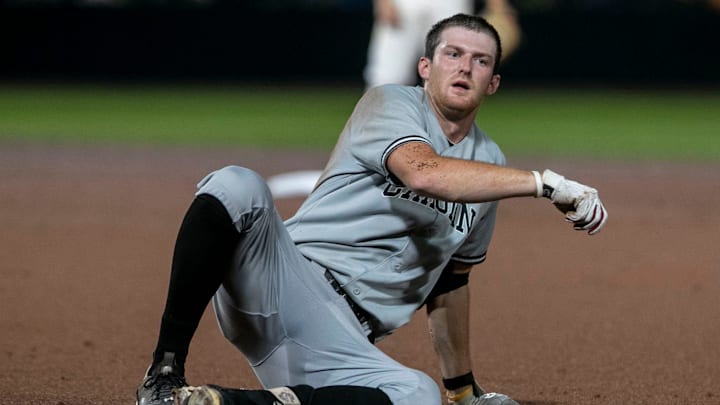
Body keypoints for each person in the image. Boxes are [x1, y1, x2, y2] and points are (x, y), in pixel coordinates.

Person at [136, 13, 607, 405]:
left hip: (338, 340)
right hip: (282, 278)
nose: (465, 67)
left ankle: (215, 402)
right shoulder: (389, 103)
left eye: (481, 61)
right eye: (453, 54)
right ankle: (164, 374)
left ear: (494, 82)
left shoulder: (491, 166)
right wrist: (545, 184)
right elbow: (424, 172)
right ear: (425, 66)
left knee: (417, 395)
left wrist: (463, 393)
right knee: (236, 184)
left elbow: (451, 282)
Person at [364, 0, 522, 88]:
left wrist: (498, 6)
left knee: (450, 78)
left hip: (449, 4)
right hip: (403, 4)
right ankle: (376, 141)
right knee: (387, 78)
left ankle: (445, 142)